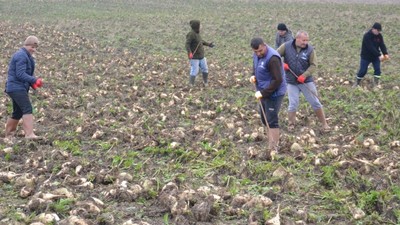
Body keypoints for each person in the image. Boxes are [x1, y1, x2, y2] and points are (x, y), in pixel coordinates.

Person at [277, 31, 330, 132]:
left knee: (315, 102)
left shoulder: (310, 50)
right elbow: (275, 56)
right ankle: (291, 124)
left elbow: (314, 65)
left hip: (306, 81)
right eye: (303, 40)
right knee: (293, 103)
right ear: (297, 39)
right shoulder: (286, 46)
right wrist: (281, 64)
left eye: (307, 40)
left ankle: (324, 124)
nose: (305, 42)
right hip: (291, 81)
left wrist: (304, 75)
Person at [249, 37, 286, 153]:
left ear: (264, 45)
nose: (259, 53)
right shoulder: (256, 55)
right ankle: (271, 142)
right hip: (263, 92)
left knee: (271, 120)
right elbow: (256, 67)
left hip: (274, 94)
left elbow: (277, 80)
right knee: (264, 119)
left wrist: (263, 93)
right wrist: (253, 75)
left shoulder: (273, 58)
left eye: (260, 51)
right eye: (256, 52)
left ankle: (273, 147)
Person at [4, 36, 43, 139]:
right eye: (32, 47)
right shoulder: (21, 56)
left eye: (35, 48)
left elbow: (25, 74)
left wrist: (32, 84)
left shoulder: (26, 56)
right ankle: (29, 134)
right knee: (27, 108)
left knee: (18, 112)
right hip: (16, 87)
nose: (33, 50)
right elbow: (20, 74)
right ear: (26, 45)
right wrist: (34, 80)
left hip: (16, 87)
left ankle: (9, 136)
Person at [353, 22, 389, 88]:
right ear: (373, 29)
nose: (378, 32)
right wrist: (379, 55)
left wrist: (385, 53)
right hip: (366, 56)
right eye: (377, 30)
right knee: (363, 71)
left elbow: (382, 45)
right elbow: (370, 47)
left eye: (379, 31)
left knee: (377, 70)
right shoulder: (367, 36)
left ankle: (376, 84)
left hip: (375, 57)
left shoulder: (379, 36)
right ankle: (357, 82)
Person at [185, 20, 214, 87]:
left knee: (205, 69)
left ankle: (205, 82)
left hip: (201, 56)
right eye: (200, 25)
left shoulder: (197, 33)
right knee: (194, 71)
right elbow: (187, 44)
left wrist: (209, 44)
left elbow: (201, 41)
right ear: (196, 26)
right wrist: (190, 53)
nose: (201, 26)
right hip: (194, 57)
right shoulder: (191, 34)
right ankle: (191, 84)